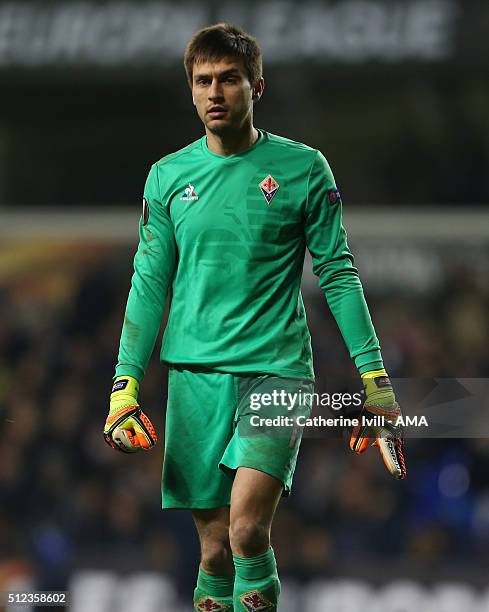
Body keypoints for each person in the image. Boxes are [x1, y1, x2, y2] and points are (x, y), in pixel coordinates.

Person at [103, 23, 406, 611]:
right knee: (214, 550)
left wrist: (376, 382)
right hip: (194, 374)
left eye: (229, 80)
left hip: (277, 371)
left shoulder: (303, 169)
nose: (215, 92)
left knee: (247, 528)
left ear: (256, 87)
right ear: (190, 91)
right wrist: (124, 385)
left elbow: (338, 274)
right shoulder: (168, 177)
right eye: (203, 81)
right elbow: (149, 283)